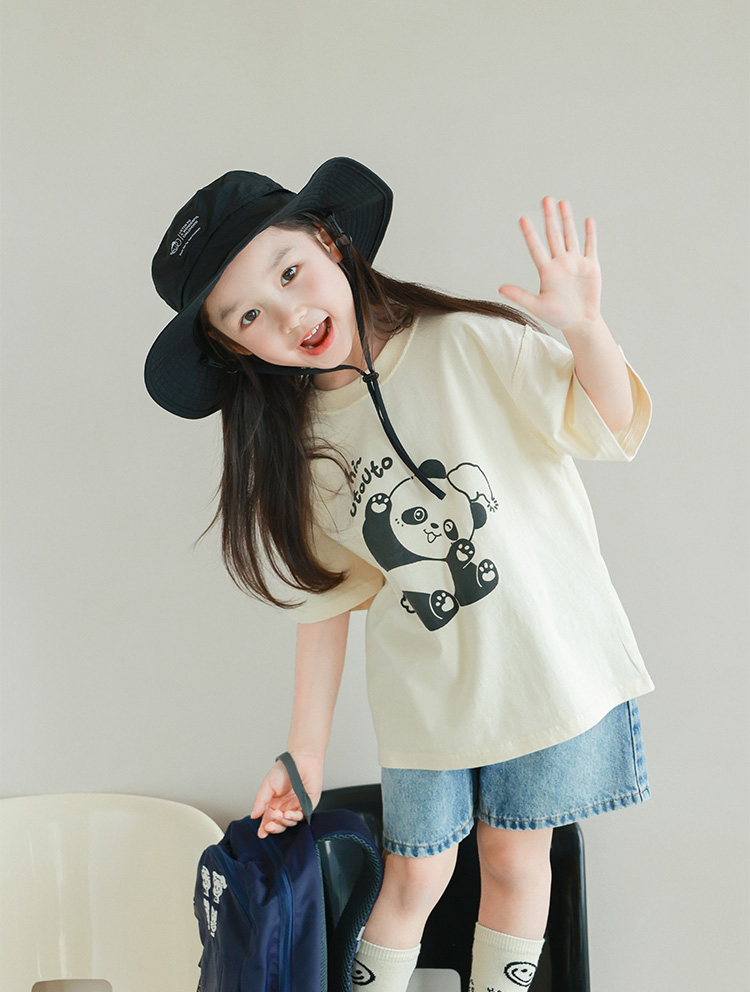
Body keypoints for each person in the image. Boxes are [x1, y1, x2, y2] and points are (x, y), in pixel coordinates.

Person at [145, 157, 654, 992]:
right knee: (414, 875)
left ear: (329, 241)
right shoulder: (308, 448)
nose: (290, 313)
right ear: (234, 347)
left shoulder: (467, 344)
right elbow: (329, 595)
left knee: (515, 862)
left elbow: (610, 421)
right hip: (427, 695)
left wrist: (587, 328)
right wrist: (304, 753)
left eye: (289, 272)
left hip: (542, 668)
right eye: (250, 315)